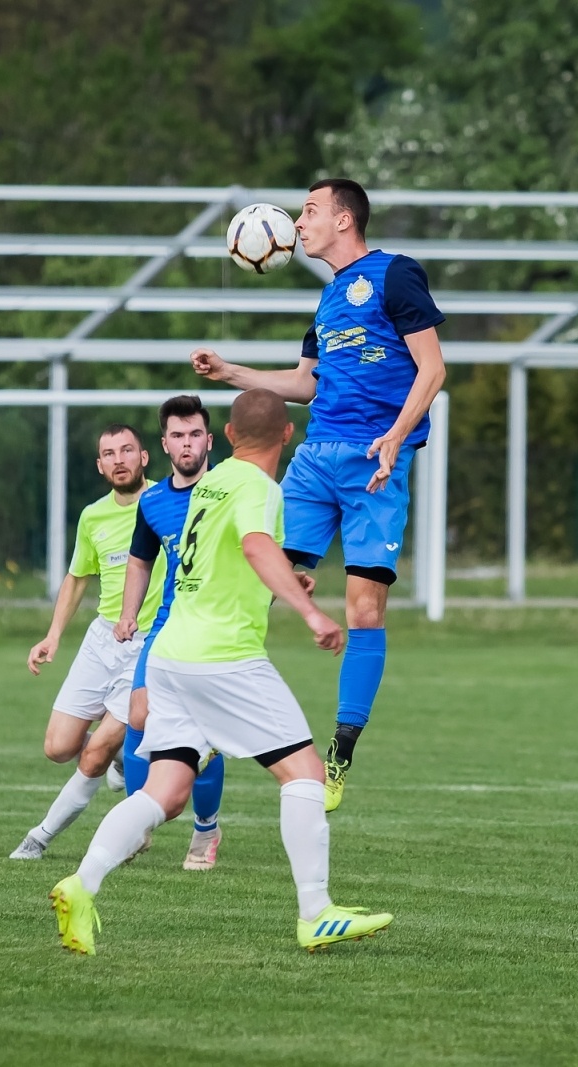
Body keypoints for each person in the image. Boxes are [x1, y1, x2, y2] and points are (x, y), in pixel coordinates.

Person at [49, 389, 393, 955]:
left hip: (168, 657)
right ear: (289, 437)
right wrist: (309, 611)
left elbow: (220, 560)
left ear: (226, 438)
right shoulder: (259, 486)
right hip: (223, 657)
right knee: (306, 776)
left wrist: (284, 578)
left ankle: (81, 883)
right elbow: (256, 545)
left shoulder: (210, 484)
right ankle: (316, 911)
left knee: (167, 790)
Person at [192, 177, 446, 811]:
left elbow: (434, 367)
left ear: (344, 217)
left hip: (373, 464)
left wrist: (395, 436)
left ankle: (340, 752)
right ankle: (203, 720)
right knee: (263, 581)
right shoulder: (329, 298)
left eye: (308, 211)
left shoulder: (394, 275)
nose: (297, 222)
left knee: (363, 610)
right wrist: (231, 372)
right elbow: (305, 384)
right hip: (314, 460)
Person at [11, 426, 165, 860]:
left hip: (148, 645)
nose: (119, 459)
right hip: (102, 640)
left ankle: (38, 838)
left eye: (127, 450)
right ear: (100, 466)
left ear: (145, 457)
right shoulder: (93, 516)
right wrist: (53, 635)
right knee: (58, 747)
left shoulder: (168, 502)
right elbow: (78, 577)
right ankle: (121, 758)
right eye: (109, 453)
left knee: (94, 752)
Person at [114, 395, 228, 871]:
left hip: (218, 632)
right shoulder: (153, 501)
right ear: (164, 445)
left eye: (195, 434)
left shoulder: (228, 490)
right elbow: (141, 560)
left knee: (207, 735)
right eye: (178, 436)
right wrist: (127, 613)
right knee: (137, 716)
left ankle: (206, 830)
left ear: (209, 439)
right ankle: (137, 826)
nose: (187, 444)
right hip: (166, 626)